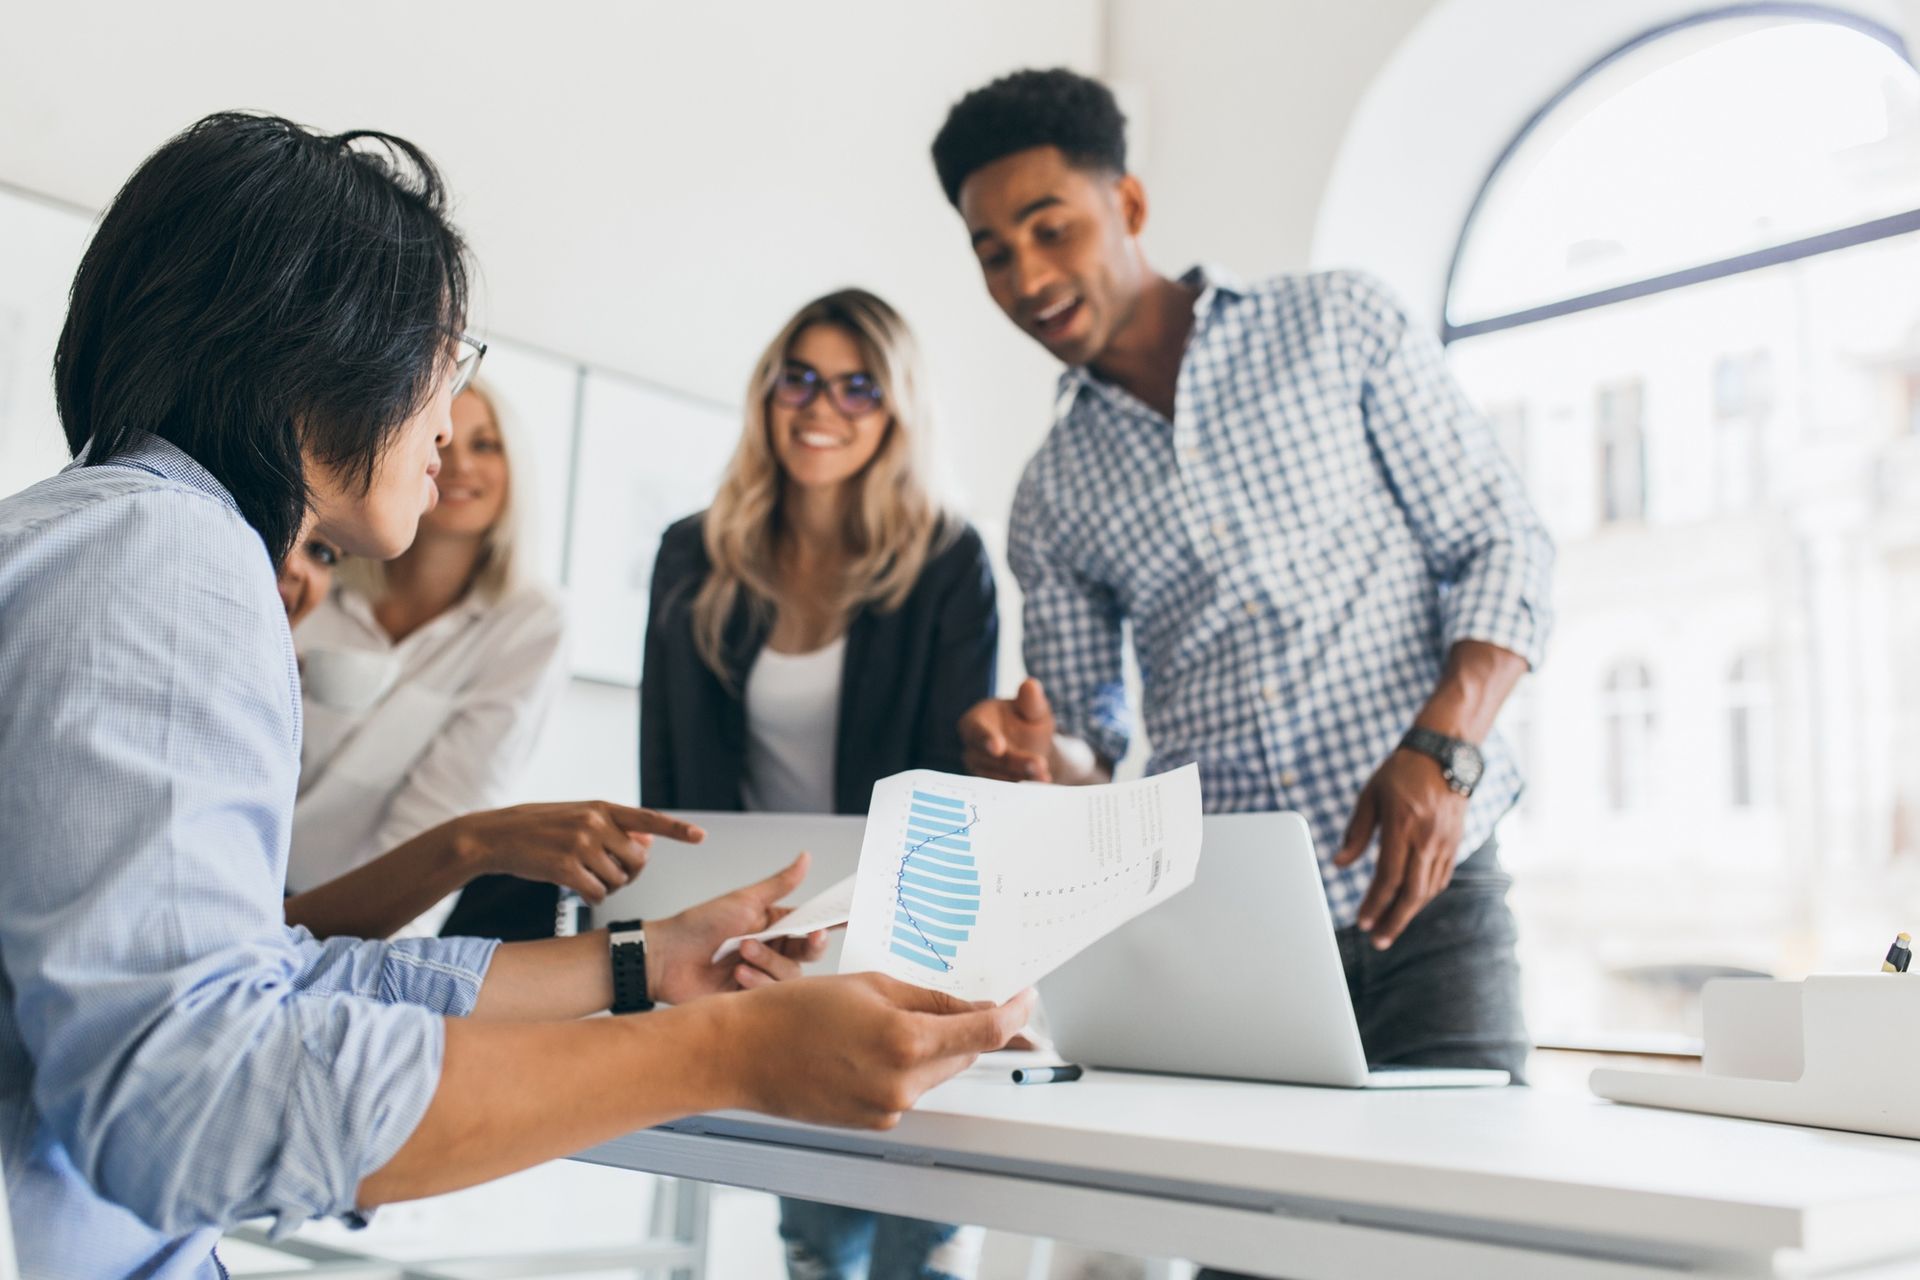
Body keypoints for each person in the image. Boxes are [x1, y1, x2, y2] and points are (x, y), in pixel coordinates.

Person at [0, 110, 1028, 1280]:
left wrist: (646, 961)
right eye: (450, 354)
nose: (451, 411)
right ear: (321, 346)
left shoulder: (122, 538)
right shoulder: (168, 558)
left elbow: (267, 979)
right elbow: (195, 1096)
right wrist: (728, 1049)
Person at [932, 61, 1550, 1192]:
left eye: (1047, 226)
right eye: (991, 250)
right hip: (1237, 935)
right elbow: (1092, 754)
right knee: (1256, 1241)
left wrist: (1443, 747)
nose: (1025, 274)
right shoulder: (1054, 489)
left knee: (1478, 1232)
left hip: (1436, 896)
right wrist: (1040, 757)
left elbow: (1502, 542)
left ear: (1127, 205)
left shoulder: (1337, 326)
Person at [641, 288, 998, 1280]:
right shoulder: (693, 551)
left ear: (896, 411)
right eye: (799, 377)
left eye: (857, 386)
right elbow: (664, 769)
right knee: (813, 1238)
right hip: (763, 935)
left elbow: (958, 789)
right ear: (768, 393)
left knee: (917, 1237)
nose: (820, 406)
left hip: (904, 936)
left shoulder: (947, 561)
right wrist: (673, 927)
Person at [273, 523, 686, 942]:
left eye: (322, 553)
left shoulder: (530, 618)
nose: (454, 465)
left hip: (343, 915)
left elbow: (440, 812)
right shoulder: (305, 599)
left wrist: (386, 964)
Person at [287, 379, 573, 937]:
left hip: (369, 917)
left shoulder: (529, 623)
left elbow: (450, 815)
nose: (459, 464)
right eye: (440, 442)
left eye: (486, 445)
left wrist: (378, 968)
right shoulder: (316, 572)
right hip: (235, 882)